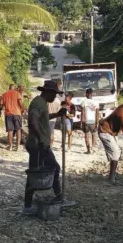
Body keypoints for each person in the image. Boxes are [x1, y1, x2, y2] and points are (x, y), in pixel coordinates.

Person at [23, 80, 74, 215]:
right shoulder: (37, 102)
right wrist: (40, 139)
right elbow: (33, 121)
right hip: (37, 145)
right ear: (48, 92)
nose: (55, 96)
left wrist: (57, 114)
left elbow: (43, 119)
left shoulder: (42, 103)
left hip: (40, 144)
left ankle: (57, 197)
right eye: (54, 93)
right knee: (38, 173)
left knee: (46, 170)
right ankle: (29, 206)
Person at [0, 84, 25, 151]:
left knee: (10, 131)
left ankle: (10, 146)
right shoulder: (17, 93)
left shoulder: (4, 94)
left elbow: (1, 104)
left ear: (9, 88)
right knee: (18, 130)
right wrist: (23, 109)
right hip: (17, 113)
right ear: (15, 88)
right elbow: (20, 102)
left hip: (8, 114)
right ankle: (17, 147)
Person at [81, 88, 99, 154]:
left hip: (86, 121)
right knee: (93, 135)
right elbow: (97, 113)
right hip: (93, 121)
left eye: (86, 94)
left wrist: (81, 122)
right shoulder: (96, 102)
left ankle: (88, 150)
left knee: (86, 136)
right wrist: (97, 123)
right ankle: (93, 148)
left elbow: (82, 112)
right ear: (92, 94)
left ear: (87, 94)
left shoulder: (84, 102)